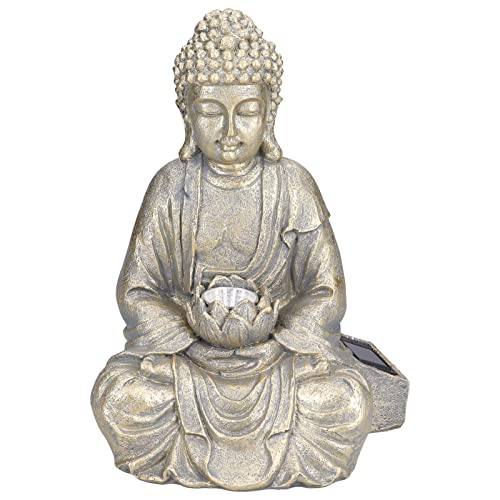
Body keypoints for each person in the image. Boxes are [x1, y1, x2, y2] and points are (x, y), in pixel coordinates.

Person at [91, 8, 372, 490]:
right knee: (121, 398)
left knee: (347, 402)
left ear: (270, 114)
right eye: (210, 112)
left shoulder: (292, 186)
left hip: (278, 359)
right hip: (186, 359)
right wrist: (193, 336)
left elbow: (327, 291)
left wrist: (274, 339)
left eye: (246, 112)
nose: (228, 131)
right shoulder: (171, 186)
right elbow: (136, 292)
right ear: (186, 114)